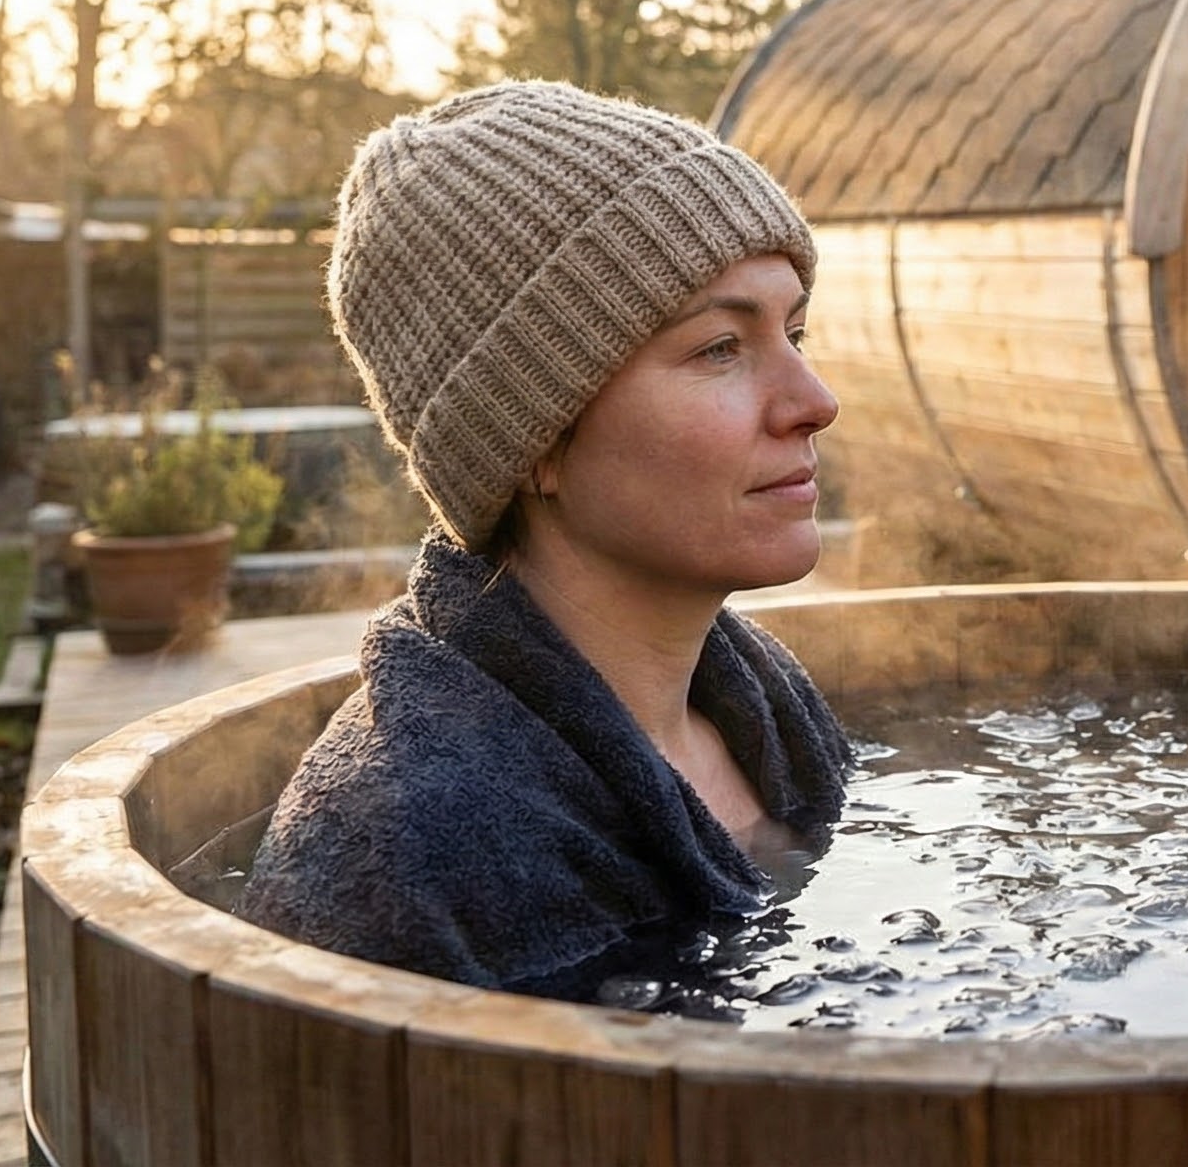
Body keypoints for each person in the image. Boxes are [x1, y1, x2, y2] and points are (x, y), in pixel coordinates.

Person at [238, 81, 854, 998]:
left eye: (795, 331)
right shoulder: (412, 864)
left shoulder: (759, 700)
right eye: (720, 347)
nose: (815, 402)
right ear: (534, 440)